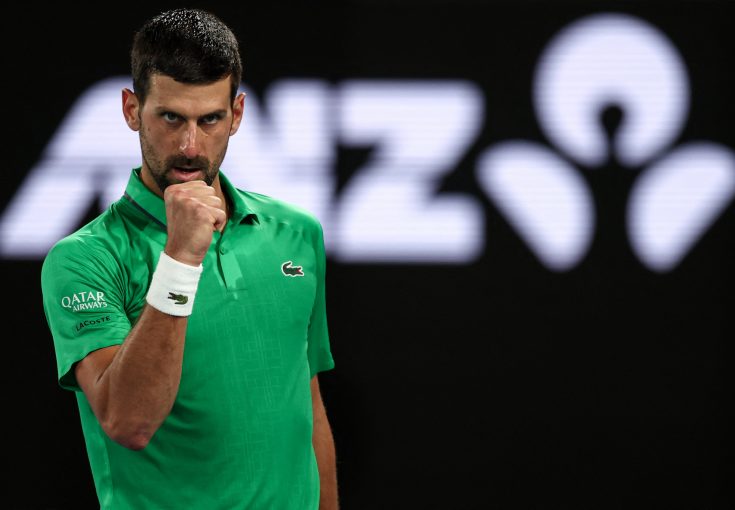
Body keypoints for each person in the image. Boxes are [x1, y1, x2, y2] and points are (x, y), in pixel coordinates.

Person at [40, 8, 338, 509]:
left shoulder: (297, 235)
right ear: (132, 109)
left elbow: (306, 408)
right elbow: (128, 422)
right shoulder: (84, 261)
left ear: (237, 115)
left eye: (210, 120)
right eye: (171, 117)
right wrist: (180, 256)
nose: (189, 146)